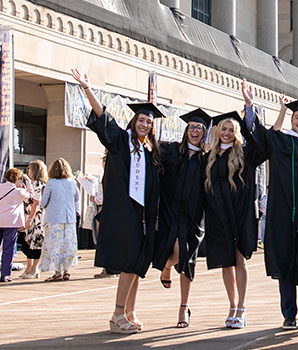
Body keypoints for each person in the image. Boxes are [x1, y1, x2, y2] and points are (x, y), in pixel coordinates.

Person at [73, 68, 163, 334]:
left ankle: (130, 311)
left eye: (149, 122)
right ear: (134, 121)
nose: (145, 124)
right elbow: (104, 118)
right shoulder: (121, 141)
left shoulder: (149, 152)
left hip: (141, 215)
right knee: (128, 262)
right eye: (141, 120)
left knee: (137, 263)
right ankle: (117, 314)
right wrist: (88, 89)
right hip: (123, 212)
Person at [242, 71, 298, 330]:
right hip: (283, 215)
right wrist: (249, 105)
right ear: (293, 119)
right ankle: (289, 314)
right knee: (287, 262)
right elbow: (259, 136)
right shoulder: (280, 143)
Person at [204, 106, 264, 329]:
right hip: (218, 215)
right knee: (225, 262)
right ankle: (231, 305)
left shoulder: (243, 153)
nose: (227, 133)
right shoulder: (209, 156)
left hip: (239, 213)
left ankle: (242, 306)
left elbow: (262, 146)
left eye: (231, 129)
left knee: (239, 259)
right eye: (224, 129)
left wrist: (250, 107)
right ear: (218, 130)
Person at [153, 108, 211, 328]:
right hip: (170, 211)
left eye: (199, 128)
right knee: (178, 250)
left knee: (187, 259)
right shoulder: (170, 151)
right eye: (192, 127)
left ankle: (184, 306)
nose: (195, 130)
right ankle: (168, 269)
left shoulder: (206, 159)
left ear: (204, 133)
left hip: (194, 217)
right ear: (186, 129)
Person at [39, 158, 80, 282]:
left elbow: (43, 202)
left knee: (55, 245)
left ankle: (58, 272)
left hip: (54, 218)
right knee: (68, 244)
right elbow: (77, 198)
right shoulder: (72, 182)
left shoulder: (51, 183)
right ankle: (67, 271)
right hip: (69, 218)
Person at [0, 168, 33, 282]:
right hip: (11, 222)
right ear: (17, 179)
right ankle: (4, 275)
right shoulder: (18, 192)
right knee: (8, 249)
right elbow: (31, 195)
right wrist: (28, 181)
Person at [18, 160, 48, 279]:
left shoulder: (38, 184)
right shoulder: (33, 183)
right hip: (31, 214)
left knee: (35, 242)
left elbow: (36, 202)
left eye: (29, 168)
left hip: (36, 217)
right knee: (28, 241)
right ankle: (29, 267)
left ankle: (34, 269)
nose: (28, 170)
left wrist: (29, 219)